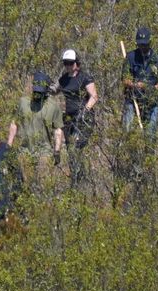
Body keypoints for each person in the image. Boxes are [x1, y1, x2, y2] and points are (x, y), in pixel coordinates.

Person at [7, 71, 64, 187]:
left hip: (44, 152)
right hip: (24, 151)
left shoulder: (53, 106)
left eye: (40, 91)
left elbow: (58, 129)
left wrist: (57, 151)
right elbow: (14, 124)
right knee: (23, 186)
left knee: (42, 187)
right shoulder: (23, 103)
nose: (37, 93)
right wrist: (8, 146)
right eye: (36, 90)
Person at [121, 27, 158, 139]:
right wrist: (134, 85)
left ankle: (149, 155)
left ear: (150, 42)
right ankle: (128, 155)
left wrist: (154, 87)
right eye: (140, 44)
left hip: (151, 102)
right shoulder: (130, 57)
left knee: (150, 134)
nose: (142, 47)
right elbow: (124, 78)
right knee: (127, 131)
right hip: (132, 100)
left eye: (145, 44)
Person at [59, 49, 98, 187]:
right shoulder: (63, 79)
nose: (68, 66)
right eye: (65, 63)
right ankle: (75, 177)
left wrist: (85, 111)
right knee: (70, 148)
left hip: (83, 118)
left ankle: (83, 178)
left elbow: (94, 96)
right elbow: (56, 90)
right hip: (69, 118)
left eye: (70, 63)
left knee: (78, 146)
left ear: (77, 63)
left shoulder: (85, 78)